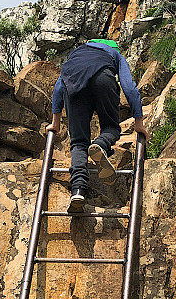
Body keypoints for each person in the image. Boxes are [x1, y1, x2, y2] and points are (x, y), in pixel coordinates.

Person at [46, 38, 148, 213]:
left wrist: (55, 123)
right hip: (103, 78)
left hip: (74, 86)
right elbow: (129, 88)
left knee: (78, 143)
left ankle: (77, 190)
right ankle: (100, 144)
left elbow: (58, 88)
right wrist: (138, 122)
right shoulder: (113, 53)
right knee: (111, 128)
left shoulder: (75, 55)